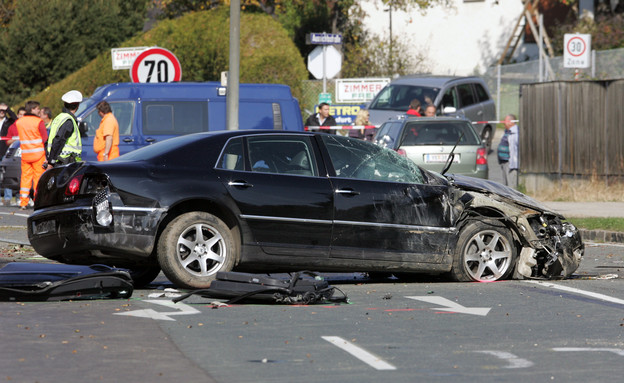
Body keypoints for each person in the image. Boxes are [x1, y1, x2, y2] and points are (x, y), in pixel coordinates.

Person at [12, 101, 47, 210]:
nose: (39, 111)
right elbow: (45, 138)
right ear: (32, 109)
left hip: (25, 155)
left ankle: (23, 202)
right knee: (38, 179)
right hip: (38, 155)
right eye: (37, 109)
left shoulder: (19, 122)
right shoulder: (39, 121)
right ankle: (37, 201)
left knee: (25, 179)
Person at [44, 90, 83, 169]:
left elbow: (49, 140)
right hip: (65, 163)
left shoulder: (59, 117)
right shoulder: (68, 121)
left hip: (59, 161)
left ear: (64, 104)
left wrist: (48, 158)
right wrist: (51, 162)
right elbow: (59, 140)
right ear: (78, 106)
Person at [497, 114, 519, 188]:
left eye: (505, 121)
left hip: (510, 163)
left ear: (511, 122)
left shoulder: (515, 132)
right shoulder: (507, 131)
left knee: (511, 186)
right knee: (505, 186)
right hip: (504, 162)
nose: (503, 123)